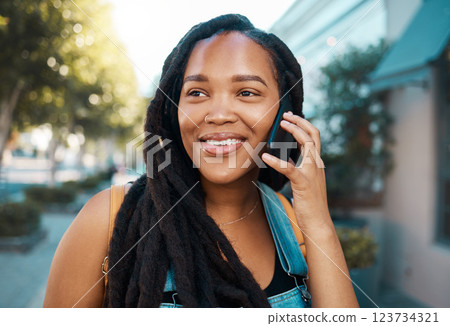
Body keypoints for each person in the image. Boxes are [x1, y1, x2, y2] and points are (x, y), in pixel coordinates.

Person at [43, 14, 359, 308]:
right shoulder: (108, 218)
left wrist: (318, 221)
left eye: (247, 92)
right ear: (171, 109)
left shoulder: (289, 220)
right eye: (197, 92)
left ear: (284, 112)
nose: (218, 114)